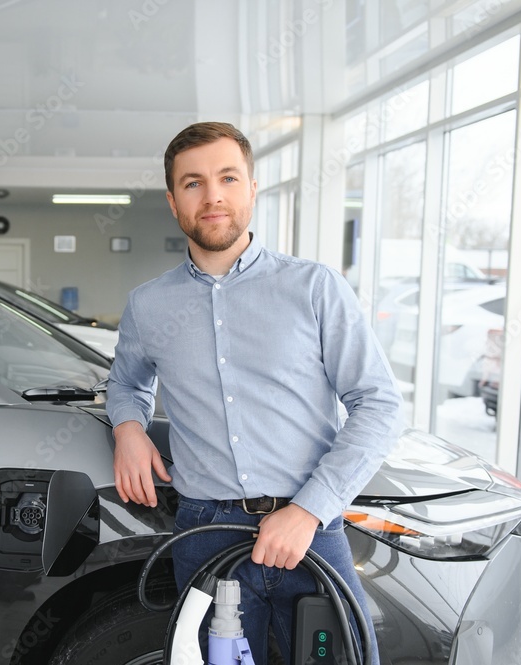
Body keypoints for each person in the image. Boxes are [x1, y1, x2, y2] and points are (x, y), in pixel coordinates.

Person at [106, 121, 401, 664]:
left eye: (227, 177)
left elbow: (379, 404)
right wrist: (127, 426)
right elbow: (126, 380)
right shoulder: (149, 306)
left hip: (309, 529)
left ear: (252, 188)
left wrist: (309, 512)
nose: (213, 195)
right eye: (193, 183)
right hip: (204, 535)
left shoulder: (314, 287)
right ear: (174, 202)